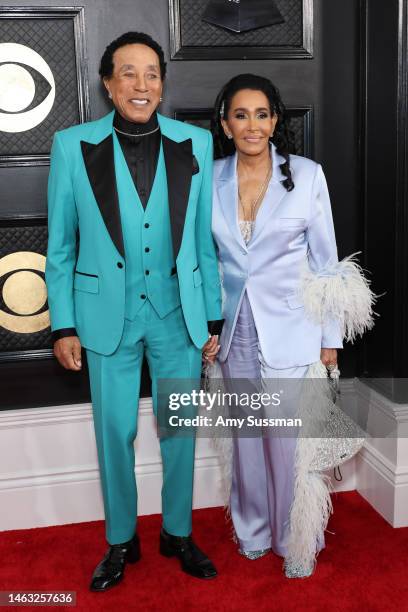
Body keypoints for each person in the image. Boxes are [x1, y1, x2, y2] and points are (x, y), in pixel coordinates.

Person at [45, 31, 223, 591]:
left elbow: (203, 241)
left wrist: (212, 315)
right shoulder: (72, 146)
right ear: (107, 82)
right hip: (105, 321)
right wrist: (63, 324)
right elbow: (61, 247)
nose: (141, 85)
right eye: (128, 73)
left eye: (151, 73)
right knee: (114, 430)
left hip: (178, 314)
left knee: (179, 430)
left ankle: (176, 532)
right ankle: (121, 540)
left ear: (162, 83)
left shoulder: (195, 142)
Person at [206, 73, 374, 578]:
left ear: (275, 121)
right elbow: (203, 260)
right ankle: (252, 531)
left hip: (294, 329)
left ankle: (291, 537)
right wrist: (205, 329)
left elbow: (327, 263)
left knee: (286, 442)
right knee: (246, 438)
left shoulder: (307, 175)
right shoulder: (207, 179)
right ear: (225, 123)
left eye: (262, 114)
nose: (252, 125)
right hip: (234, 329)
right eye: (241, 115)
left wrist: (330, 341)